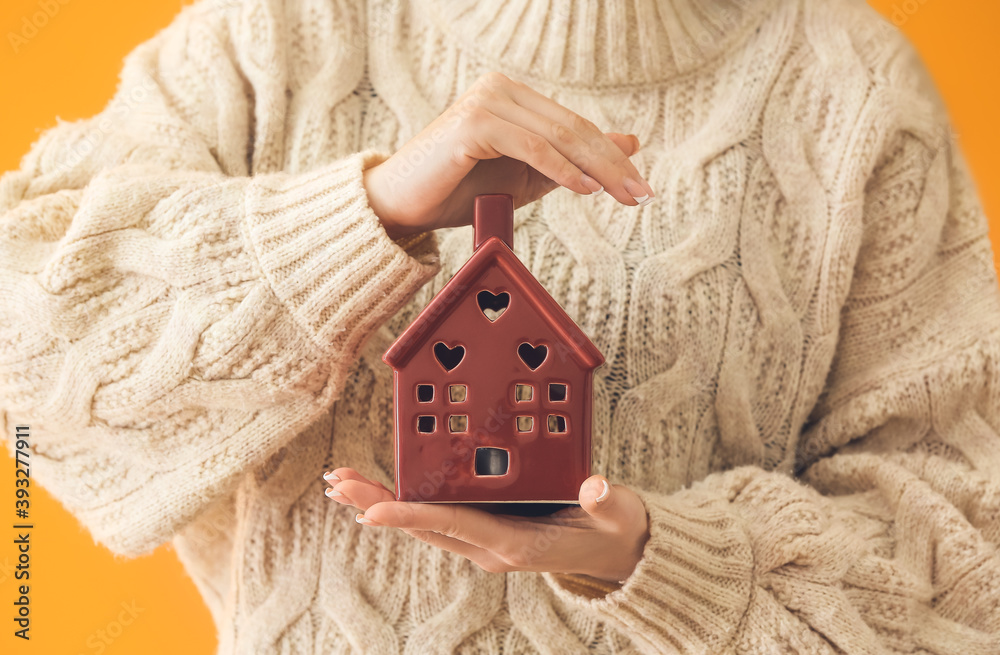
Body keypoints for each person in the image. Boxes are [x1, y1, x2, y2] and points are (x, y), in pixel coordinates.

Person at [2, 0, 998, 652]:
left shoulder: (851, 87)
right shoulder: (276, 36)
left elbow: (960, 572)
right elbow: (25, 346)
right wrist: (364, 214)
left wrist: (656, 556)